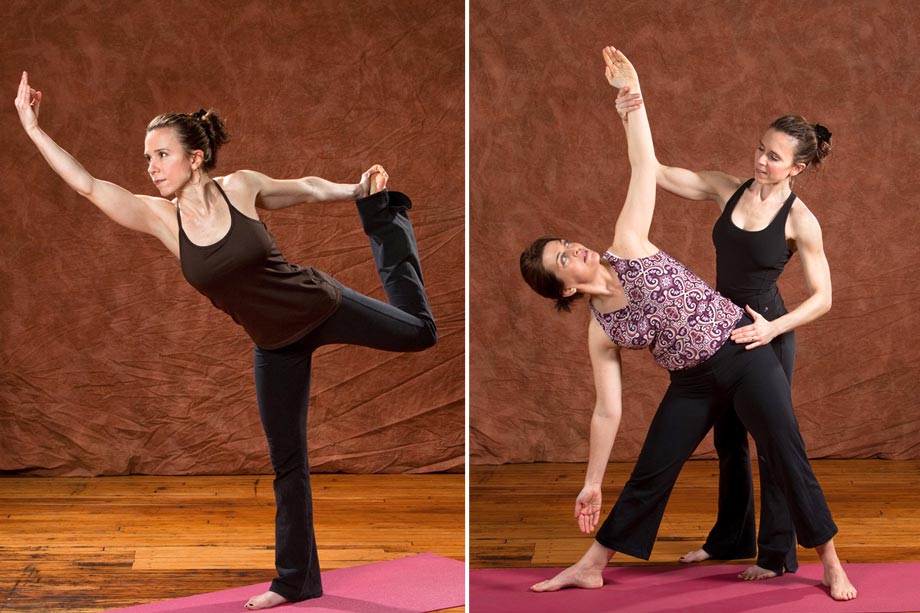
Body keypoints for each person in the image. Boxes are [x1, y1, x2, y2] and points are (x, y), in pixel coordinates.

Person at [14, 72, 437, 610]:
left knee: (421, 333)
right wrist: (32, 128)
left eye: (161, 155)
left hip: (321, 304)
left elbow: (304, 188)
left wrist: (358, 192)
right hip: (274, 344)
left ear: (194, 158)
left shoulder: (241, 187)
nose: (150, 168)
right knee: (289, 461)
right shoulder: (161, 219)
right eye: (147, 158)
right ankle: (294, 582)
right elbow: (90, 185)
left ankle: (387, 219)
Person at [518, 48, 856, 601]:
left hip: (746, 348)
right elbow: (607, 409)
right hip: (693, 380)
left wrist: (633, 100)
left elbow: (639, 166)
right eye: (563, 258)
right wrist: (591, 481)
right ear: (566, 289)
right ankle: (592, 562)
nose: (574, 247)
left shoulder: (627, 244)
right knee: (655, 466)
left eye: (565, 244)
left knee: (782, 451)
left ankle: (830, 562)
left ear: (796, 166)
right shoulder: (602, 329)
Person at [613, 89, 833, 580]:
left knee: (773, 443)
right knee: (728, 439)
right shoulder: (725, 187)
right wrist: (634, 106)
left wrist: (773, 327)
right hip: (720, 328)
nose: (760, 160)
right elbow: (651, 168)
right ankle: (731, 536)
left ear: (796, 168)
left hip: (767, 334)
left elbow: (823, 297)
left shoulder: (800, 220)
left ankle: (776, 556)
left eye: (774, 158)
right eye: (760, 148)